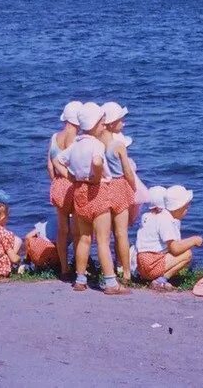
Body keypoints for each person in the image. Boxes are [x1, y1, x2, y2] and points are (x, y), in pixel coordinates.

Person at [54, 102, 129, 295]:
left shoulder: (76, 144)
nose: (104, 125)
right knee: (103, 240)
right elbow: (97, 161)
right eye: (102, 122)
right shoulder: (96, 144)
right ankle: (111, 283)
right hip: (97, 193)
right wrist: (96, 175)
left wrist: (70, 176)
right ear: (95, 124)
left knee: (84, 239)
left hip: (79, 193)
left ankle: (80, 279)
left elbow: (57, 160)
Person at [135, 186, 202, 291]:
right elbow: (175, 249)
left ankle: (154, 278)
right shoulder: (166, 220)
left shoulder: (147, 217)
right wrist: (193, 240)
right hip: (151, 265)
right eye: (186, 207)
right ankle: (160, 280)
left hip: (140, 264)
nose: (187, 209)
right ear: (178, 208)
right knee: (187, 254)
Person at [100, 101, 136, 283]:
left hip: (103, 188)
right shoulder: (118, 146)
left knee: (105, 235)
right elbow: (128, 172)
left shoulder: (97, 144)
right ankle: (127, 272)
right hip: (120, 187)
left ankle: (110, 268)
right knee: (121, 232)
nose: (124, 123)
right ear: (112, 123)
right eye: (121, 120)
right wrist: (134, 188)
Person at [47, 101, 81, 277]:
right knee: (77, 230)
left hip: (58, 186)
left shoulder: (54, 138)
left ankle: (63, 268)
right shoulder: (76, 139)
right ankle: (79, 266)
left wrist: (57, 182)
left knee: (62, 229)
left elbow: (50, 167)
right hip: (73, 186)